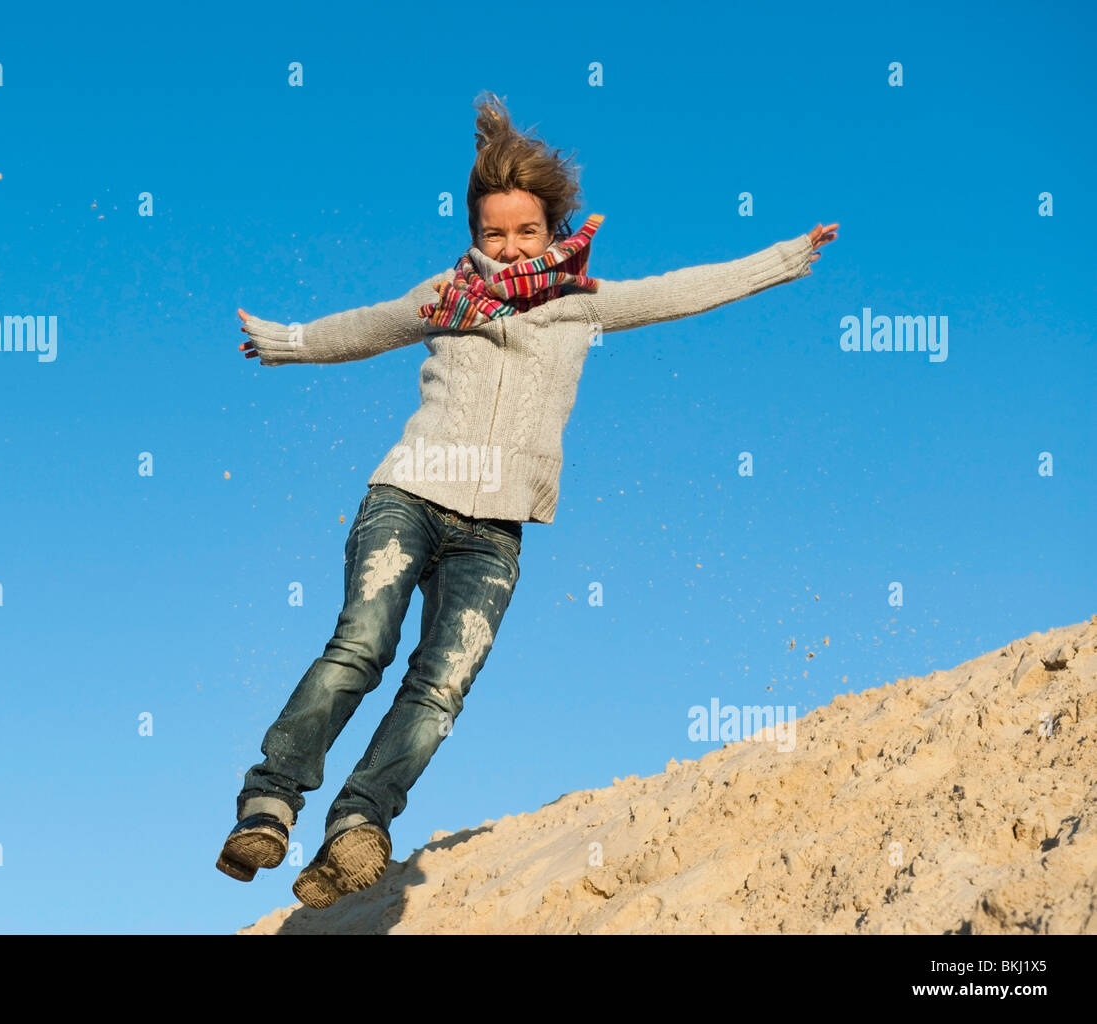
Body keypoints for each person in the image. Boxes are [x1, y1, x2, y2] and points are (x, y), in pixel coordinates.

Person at [216, 90, 838, 909]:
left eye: (526, 232)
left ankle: (359, 823)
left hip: (495, 533)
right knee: (362, 646)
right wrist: (286, 342)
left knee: (441, 687)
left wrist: (785, 258)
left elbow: (682, 289)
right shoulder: (445, 296)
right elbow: (365, 327)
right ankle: (270, 799)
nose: (509, 248)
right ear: (474, 234)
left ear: (552, 230)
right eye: (493, 234)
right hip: (409, 495)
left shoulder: (581, 306)